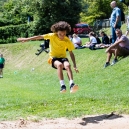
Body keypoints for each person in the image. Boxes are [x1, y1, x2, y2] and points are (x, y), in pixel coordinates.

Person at [17, 21, 79, 93]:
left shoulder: (67, 40)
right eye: (60, 34)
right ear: (56, 32)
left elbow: (71, 53)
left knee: (67, 65)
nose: (62, 36)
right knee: (59, 65)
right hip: (53, 58)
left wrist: (74, 65)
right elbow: (39, 36)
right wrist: (26, 39)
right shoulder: (52, 36)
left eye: (64, 34)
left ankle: (71, 84)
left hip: (63, 57)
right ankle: (62, 86)